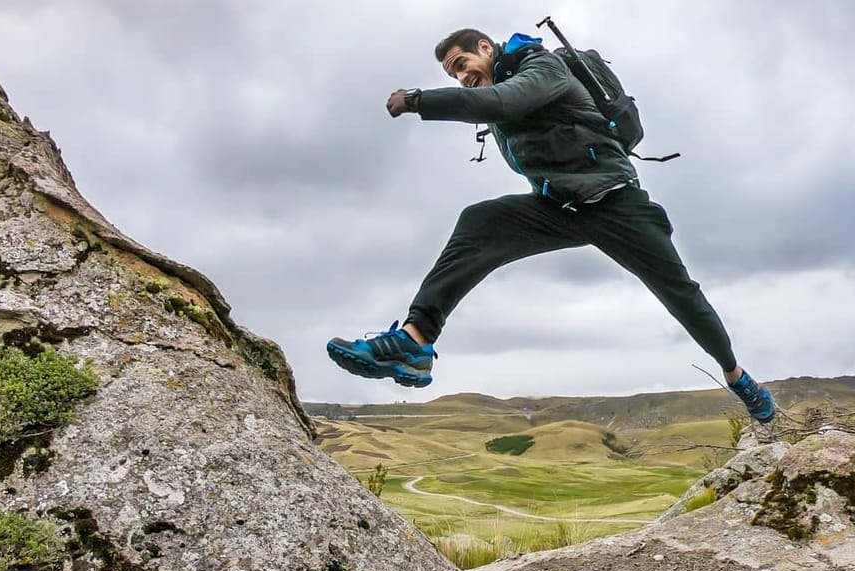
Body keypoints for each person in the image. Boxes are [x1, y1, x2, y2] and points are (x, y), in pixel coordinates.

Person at [326, 28, 775, 422]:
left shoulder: (542, 67)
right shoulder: (497, 86)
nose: (461, 77)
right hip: (558, 207)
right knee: (479, 221)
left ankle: (738, 377)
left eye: (462, 64)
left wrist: (419, 100)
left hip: (614, 201)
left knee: (680, 293)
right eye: (453, 75)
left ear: (486, 47)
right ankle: (415, 343)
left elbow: (502, 102)